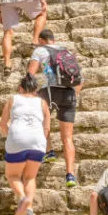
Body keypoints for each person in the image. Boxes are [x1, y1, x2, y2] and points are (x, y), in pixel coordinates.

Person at [28, 28, 82, 187]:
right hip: (69, 94)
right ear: (53, 38)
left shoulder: (40, 50)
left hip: (50, 91)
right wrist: (74, 95)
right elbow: (79, 79)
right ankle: (70, 175)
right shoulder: (67, 53)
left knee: (40, 120)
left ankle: (49, 150)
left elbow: (30, 73)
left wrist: (27, 93)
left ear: (41, 40)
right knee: (67, 137)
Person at [0, 73, 51, 215]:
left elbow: (3, 125)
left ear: (20, 88)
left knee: (12, 176)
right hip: (38, 141)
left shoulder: (12, 99)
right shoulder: (42, 103)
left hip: (17, 138)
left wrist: (11, 137)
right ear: (35, 90)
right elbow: (46, 129)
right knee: (30, 177)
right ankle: (29, 209)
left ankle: (23, 198)